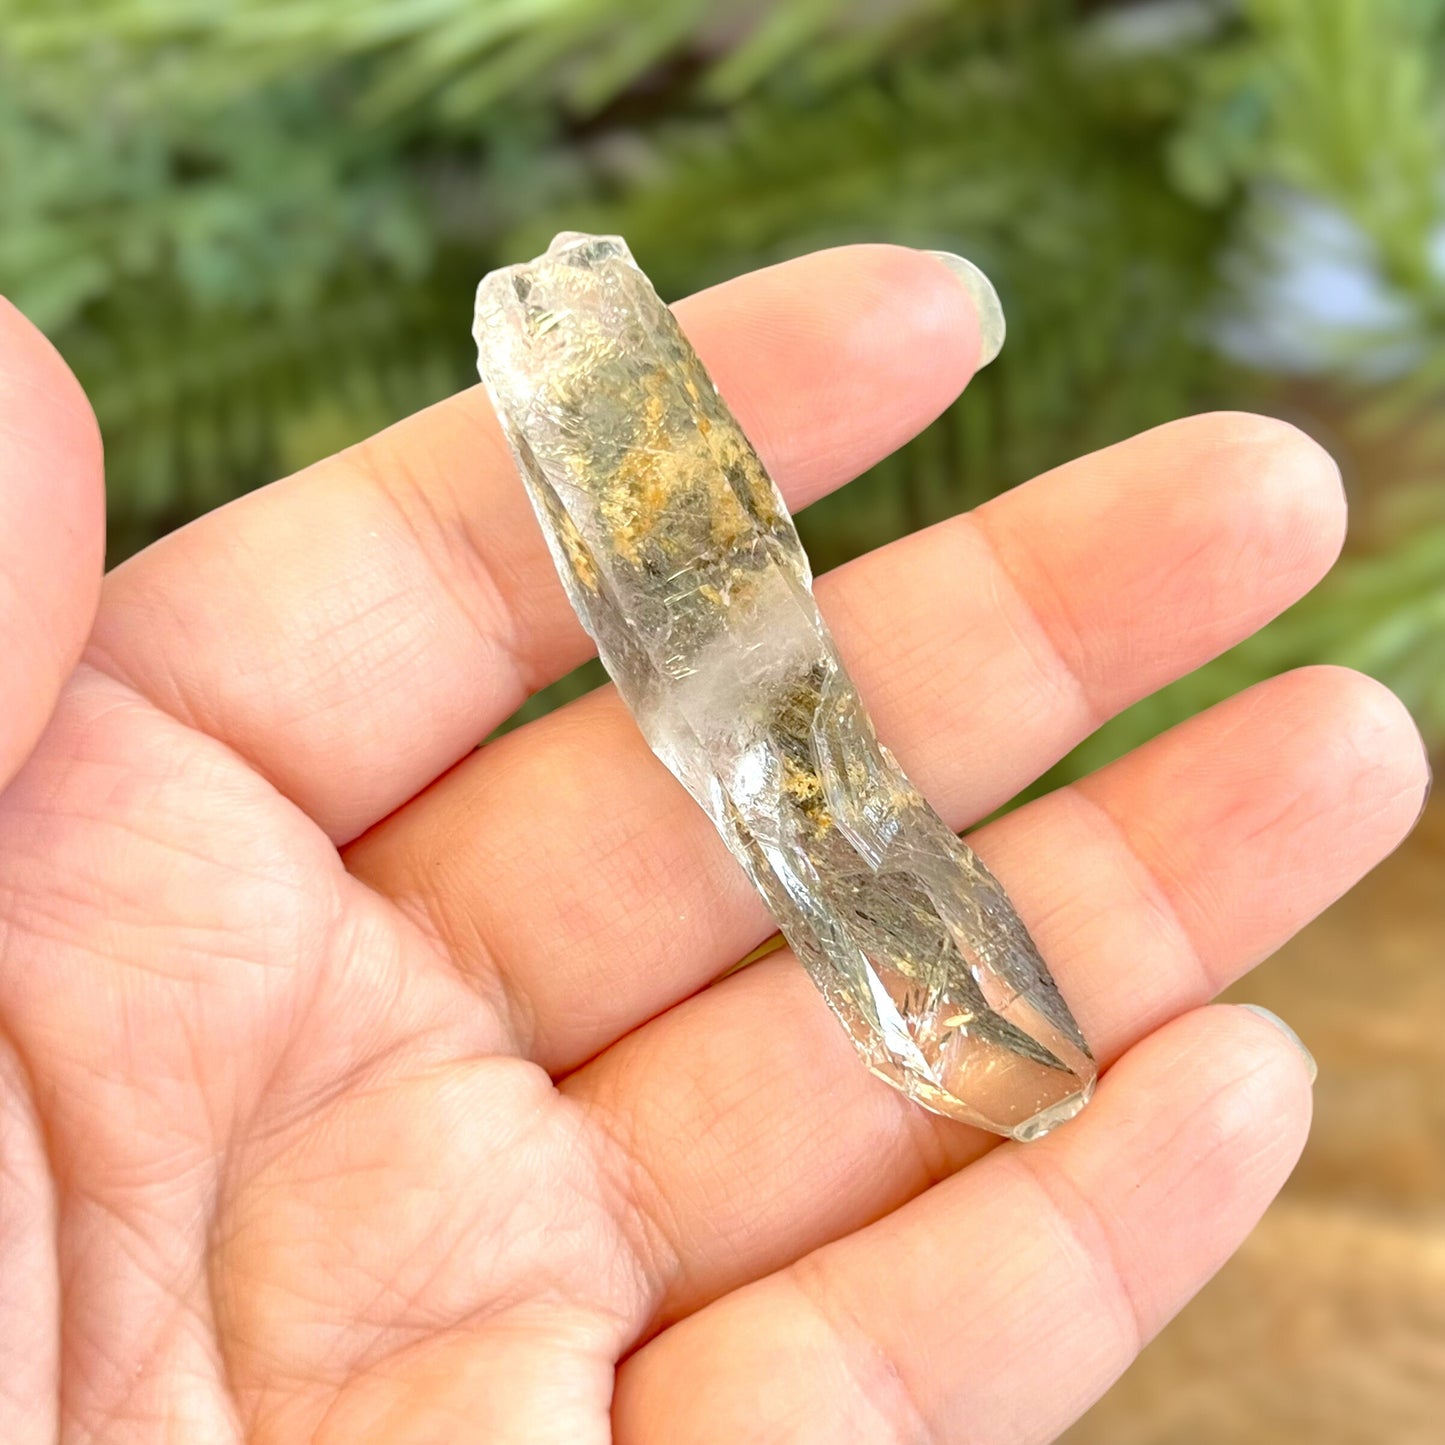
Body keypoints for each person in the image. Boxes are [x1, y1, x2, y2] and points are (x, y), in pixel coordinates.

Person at [0, 246, 1426, 1444]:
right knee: (797, 782)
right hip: (767, 756)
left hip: (806, 762)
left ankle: (990, 1040)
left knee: (815, 778)